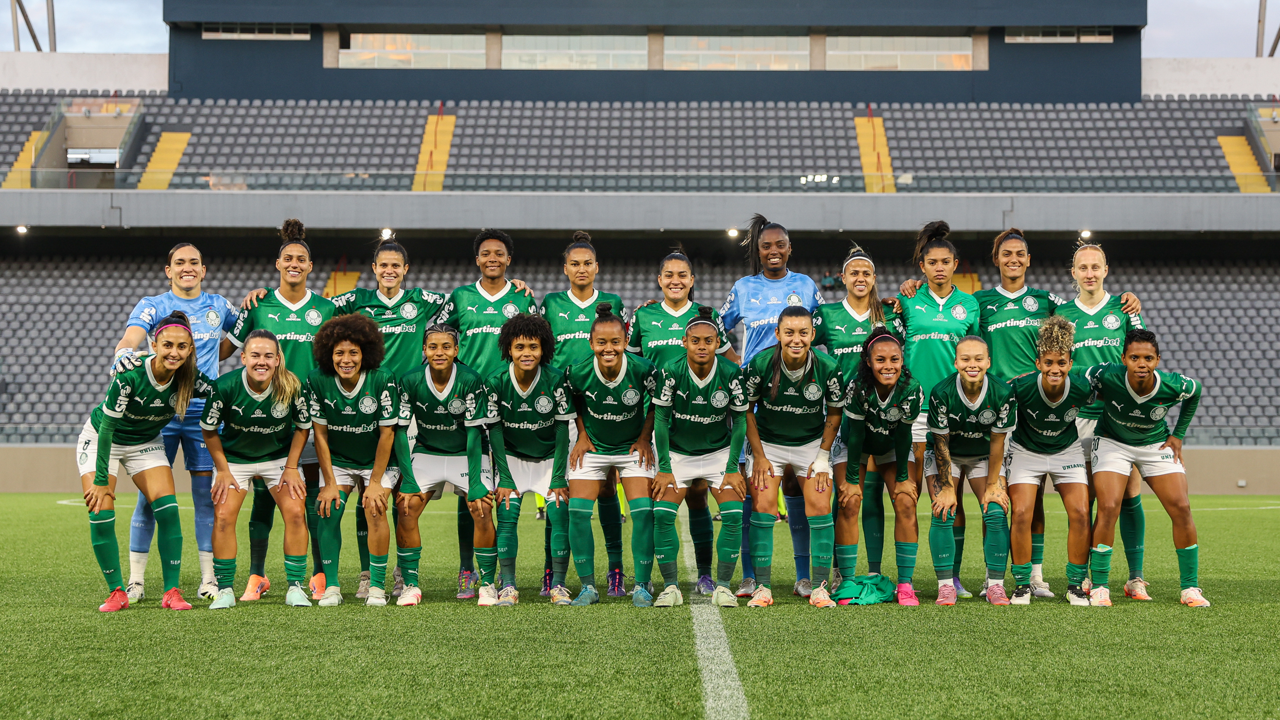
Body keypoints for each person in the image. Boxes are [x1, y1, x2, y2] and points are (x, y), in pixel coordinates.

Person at [111, 243, 238, 602]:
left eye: (194, 262)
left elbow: (244, 330)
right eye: (179, 263)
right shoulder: (153, 304)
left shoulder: (218, 305)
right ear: (169, 270)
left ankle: (209, 579)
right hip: (161, 412)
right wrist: (124, 351)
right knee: (149, 497)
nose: (187, 268)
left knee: (205, 498)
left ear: (204, 269)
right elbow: (132, 336)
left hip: (202, 413)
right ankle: (136, 581)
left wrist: (212, 358)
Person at [229, 219, 337, 600]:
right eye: (288, 258)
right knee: (263, 497)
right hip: (268, 417)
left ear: (310, 267)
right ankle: (257, 576)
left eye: (301, 259)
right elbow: (226, 351)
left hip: (313, 418)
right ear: (278, 264)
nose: (294, 263)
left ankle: (320, 575)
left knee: (311, 498)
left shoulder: (326, 308)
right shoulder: (259, 306)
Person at [79, 311, 214, 612]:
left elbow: (222, 393)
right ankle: (117, 591)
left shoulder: (190, 378)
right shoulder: (130, 373)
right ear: (154, 344)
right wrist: (101, 480)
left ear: (190, 349)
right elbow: (107, 428)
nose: (174, 352)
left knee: (168, 509)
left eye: (182, 347)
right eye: (167, 345)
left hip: (145, 443)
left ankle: (172, 591)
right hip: (105, 438)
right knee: (100, 509)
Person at [720, 214, 823, 599]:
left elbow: (823, 329)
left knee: (796, 482)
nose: (774, 251)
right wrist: (738, 364)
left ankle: (803, 576)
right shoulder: (744, 287)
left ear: (789, 248)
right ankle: (750, 575)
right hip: (756, 400)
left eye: (780, 245)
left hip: (797, 399)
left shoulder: (807, 286)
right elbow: (715, 325)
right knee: (754, 486)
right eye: (767, 246)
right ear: (758, 250)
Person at [628, 248, 736, 595]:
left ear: (692, 280)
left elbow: (730, 362)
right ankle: (645, 580)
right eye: (669, 275)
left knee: (699, 497)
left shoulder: (708, 317)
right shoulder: (643, 317)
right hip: (653, 422)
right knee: (655, 502)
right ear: (660, 280)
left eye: (682, 275)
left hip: (702, 424)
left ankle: (705, 574)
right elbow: (632, 368)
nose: (676, 281)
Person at [437, 229, 539, 598]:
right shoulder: (460, 297)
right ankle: (471, 569)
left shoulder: (523, 297)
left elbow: (539, 343)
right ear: (477, 259)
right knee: (473, 491)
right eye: (485, 253)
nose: (492, 258)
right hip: (469, 405)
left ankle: (531, 572)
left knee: (510, 492)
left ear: (508, 259)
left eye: (499, 253)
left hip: (511, 408)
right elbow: (438, 335)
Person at [1084, 330, 1208, 608]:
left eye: (1148, 358)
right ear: (1123, 359)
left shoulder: (1173, 384)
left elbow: (1196, 391)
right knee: (1108, 506)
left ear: (1158, 360)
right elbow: (1078, 373)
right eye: (1135, 358)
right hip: (1111, 442)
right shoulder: (1106, 375)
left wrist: (1178, 435)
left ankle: (1190, 587)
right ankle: (1101, 586)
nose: (1142, 364)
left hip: (1154, 444)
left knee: (1181, 506)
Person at [1055, 242, 1151, 601]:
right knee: (1088, 497)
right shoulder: (1062, 314)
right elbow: (1057, 362)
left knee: (1128, 493)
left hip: (1120, 417)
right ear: (1074, 273)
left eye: (1096, 267)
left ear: (1106, 270)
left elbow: (1142, 355)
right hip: (1080, 416)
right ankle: (1085, 575)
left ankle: (1135, 577)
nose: (1090, 273)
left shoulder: (1123, 310)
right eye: (1083, 268)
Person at [540, 232, 629, 598]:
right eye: (574, 264)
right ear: (565, 269)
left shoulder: (612, 302)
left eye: (586, 263)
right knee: (556, 490)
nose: (581, 269)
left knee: (608, 486)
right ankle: (552, 571)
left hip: (601, 409)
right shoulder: (550, 303)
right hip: (562, 410)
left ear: (597, 267)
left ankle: (616, 570)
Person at [895, 221, 980, 598]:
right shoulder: (908, 301)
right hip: (915, 413)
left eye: (946, 261)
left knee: (951, 497)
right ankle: (906, 581)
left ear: (955, 264)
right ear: (923, 266)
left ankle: (952, 577)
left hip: (956, 413)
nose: (940, 267)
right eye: (933, 262)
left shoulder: (970, 303)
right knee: (910, 495)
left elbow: (976, 354)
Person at [201, 330, 313, 609]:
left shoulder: (291, 385)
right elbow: (209, 430)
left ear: (277, 359)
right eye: (255, 355)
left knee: (297, 513)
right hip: (234, 461)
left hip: (278, 459)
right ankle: (225, 588)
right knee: (224, 517)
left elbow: (303, 427)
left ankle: (295, 587)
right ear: (243, 358)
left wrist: (290, 467)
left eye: (268, 356)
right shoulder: (224, 386)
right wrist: (223, 470)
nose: (261, 361)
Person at [742, 306, 845, 608]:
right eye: (789, 333)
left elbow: (835, 412)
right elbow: (746, 411)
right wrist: (759, 456)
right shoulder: (760, 364)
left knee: (820, 505)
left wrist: (824, 456)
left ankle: (819, 587)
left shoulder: (828, 366)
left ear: (813, 334)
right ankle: (762, 587)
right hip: (768, 445)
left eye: (803, 332)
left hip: (811, 445)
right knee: (763, 504)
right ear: (778, 334)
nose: (796, 339)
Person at [306, 314, 409, 607]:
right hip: (339, 459)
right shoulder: (317, 380)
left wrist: (374, 483)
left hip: (378, 459)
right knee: (328, 507)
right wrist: (328, 483)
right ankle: (332, 587)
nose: (346, 359)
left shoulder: (382, 378)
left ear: (367, 352)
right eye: (339, 352)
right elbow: (321, 434)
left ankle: (377, 587)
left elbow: (387, 433)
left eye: (353, 352)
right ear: (329, 354)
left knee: (375, 507)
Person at [650, 307, 750, 608]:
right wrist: (665, 468)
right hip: (679, 455)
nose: (702, 346)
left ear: (718, 342)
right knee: (662, 515)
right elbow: (661, 421)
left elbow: (740, 422)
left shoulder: (732, 373)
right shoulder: (670, 370)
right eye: (696, 341)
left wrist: (733, 467)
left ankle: (721, 586)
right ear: (685, 342)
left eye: (708, 340)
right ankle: (670, 587)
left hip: (719, 454)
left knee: (733, 516)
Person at [814, 244, 902, 583]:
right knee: (847, 495)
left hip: (882, 418)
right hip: (841, 419)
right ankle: (839, 570)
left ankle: (875, 571)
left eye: (866, 273)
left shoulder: (890, 315)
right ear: (844, 278)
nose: (860, 278)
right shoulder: (830, 315)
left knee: (876, 494)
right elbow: (803, 341)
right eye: (855, 273)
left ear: (874, 278)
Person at [565, 304, 658, 605]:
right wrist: (581, 434)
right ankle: (588, 587)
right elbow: (575, 400)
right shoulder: (577, 372)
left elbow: (657, 403)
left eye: (615, 342)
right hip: (594, 447)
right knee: (577, 512)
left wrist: (645, 438)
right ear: (591, 343)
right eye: (601, 342)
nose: (609, 348)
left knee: (643, 511)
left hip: (632, 447)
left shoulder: (643, 369)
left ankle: (642, 584)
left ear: (625, 341)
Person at [398, 324, 497, 606]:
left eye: (445, 347)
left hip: (465, 454)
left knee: (482, 506)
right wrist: (407, 477)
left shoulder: (470, 379)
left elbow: (475, 434)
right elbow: (400, 432)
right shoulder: (410, 379)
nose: (439, 352)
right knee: (405, 506)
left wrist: (476, 482)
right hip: (428, 451)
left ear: (456, 350)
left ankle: (487, 583)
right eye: (432, 347)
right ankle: (411, 584)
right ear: (424, 350)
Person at [485, 313, 575, 606]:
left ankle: (558, 585)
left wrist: (560, 475)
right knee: (508, 516)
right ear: (508, 349)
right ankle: (508, 585)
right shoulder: (496, 381)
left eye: (533, 347)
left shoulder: (556, 379)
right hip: (512, 460)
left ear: (544, 349)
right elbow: (495, 431)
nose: (527, 353)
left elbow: (563, 430)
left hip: (549, 461)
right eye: (520, 347)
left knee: (560, 515)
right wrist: (505, 476)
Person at [1005, 317, 1096, 606]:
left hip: (1066, 452)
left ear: (1070, 363)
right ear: (1038, 363)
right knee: (1021, 513)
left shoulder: (1083, 388)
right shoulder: (1020, 387)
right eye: (1048, 362)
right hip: (1025, 451)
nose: (1054, 369)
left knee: (1081, 512)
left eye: (1061, 362)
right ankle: (1021, 584)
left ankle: (1075, 584)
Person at [924, 336, 1017, 606]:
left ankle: (995, 586)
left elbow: (998, 442)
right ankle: (946, 586)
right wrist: (948, 488)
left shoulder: (1002, 392)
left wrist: (992, 486)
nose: (972, 364)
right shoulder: (941, 392)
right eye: (965, 359)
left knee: (996, 509)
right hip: (947, 455)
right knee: (943, 509)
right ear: (956, 362)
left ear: (989, 361)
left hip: (984, 455)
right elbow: (941, 444)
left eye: (978, 359)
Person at [836, 329, 923, 605]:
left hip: (892, 444)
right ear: (868, 362)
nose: (888, 366)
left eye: (894, 359)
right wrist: (851, 479)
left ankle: (905, 584)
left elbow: (903, 435)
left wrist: (901, 479)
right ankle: (848, 580)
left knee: (907, 500)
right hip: (854, 444)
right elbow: (856, 435)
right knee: (849, 501)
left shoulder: (912, 388)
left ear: (902, 359)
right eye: (881, 360)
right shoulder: (858, 387)